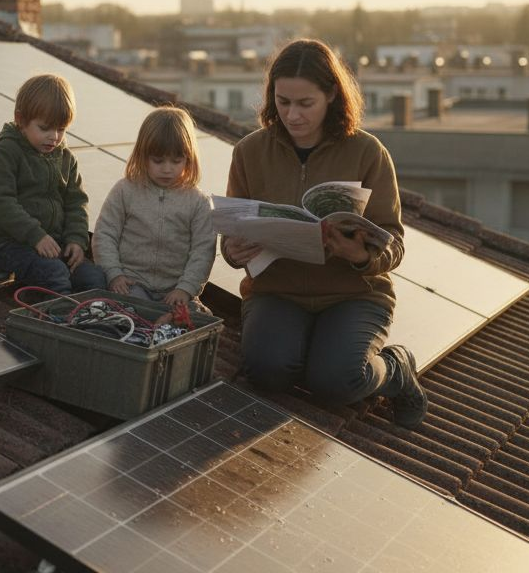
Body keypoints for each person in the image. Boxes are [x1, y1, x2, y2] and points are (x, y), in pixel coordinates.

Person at [222, 39, 428, 428]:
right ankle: (314, 348)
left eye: (305, 104)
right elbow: (233, 230)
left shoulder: (368, 152)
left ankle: (397, 368)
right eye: (283, 102)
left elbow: (393, 242)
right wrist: (235, 249)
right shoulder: (249, 152)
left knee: (336, 383)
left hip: (352, 294)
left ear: (332, 94)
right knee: (266, 373)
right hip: (277, 291)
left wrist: (361, 256)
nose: (292, 115)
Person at [0, 74, 106, 295]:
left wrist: (76, 240)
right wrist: (35, 235)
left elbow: (76, 203)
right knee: (54, 275)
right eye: (45, 128)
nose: (54, 137)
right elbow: (0, 202)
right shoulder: (5, 153)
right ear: (21, 119)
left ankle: (94, 320)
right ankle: (59, 323)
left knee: (94, 277)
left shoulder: (66, 158)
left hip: (53, 244)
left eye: (61, 129)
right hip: (10, 244)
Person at [93, 106, 216, 311]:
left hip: (174, 291)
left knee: (195, 316)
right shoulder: (125, 190)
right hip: (132, 284)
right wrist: (114, 274)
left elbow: (203, 251)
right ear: (142, 155)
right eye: (158, 160)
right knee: (130, 308)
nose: (167, 169)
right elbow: (105, 234)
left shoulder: (198, 202)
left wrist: (185, 289)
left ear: (189, 157)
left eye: (176, 161)